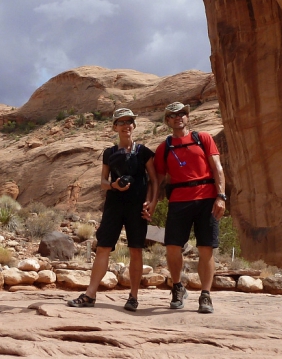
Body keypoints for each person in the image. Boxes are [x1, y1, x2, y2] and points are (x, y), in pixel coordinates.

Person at [67, 107, 158, 311]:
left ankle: (133, 297)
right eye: (122, 122)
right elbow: (102, 182)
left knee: (135, 250)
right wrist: (114, 185)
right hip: (114, 205)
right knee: (103, 248)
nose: (126, 125)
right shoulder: (109, 153)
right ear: (115, 126)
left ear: (134, 126)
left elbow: (154, 180)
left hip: (137, 207)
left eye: (129, 122)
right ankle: (90, 295)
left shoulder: (143, 152)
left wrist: (152, 203)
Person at [148, 101, 227, 314]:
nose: (178, 117)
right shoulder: (164, 148)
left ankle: (206, 295)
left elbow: (217, 168)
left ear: (187, 117)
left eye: (182, 114)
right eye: (173, 115)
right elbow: (159, 179)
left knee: (205, 248)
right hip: (179, 201)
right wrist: (152, 201)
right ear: (167, 121)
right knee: (172, 246)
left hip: (206, 199)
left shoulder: (203, 139)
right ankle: (177, 287)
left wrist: (221, 196)